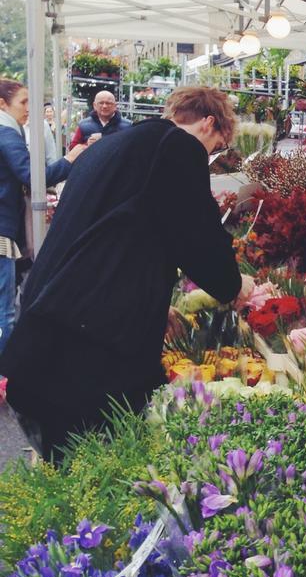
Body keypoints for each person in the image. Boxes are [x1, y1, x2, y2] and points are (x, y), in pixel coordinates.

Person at [1, 86, 255, 461]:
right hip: (85, 358)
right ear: (208, 124)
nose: (211, 157)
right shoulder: (177, 149)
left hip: (47, 339)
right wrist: (234, 284)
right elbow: (197, 237)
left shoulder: (113, 147)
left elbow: (115, 239)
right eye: (217, 147)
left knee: (72, 476)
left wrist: (151, 303)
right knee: (97, 478)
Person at [0, 80, 84, 358]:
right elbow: (33, 176)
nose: (28, 109)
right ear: (3, 104)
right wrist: (70, 159)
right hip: (2, 230)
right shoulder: (7, 133)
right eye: (23, 102)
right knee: (5, 312)